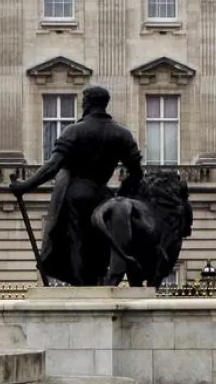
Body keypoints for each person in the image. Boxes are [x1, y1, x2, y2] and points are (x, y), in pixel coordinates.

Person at [10, 85, 143, 286]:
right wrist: (125, 192)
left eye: (83, 101)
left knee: (78, 243)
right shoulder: (122, 134)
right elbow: (137, 171)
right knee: (99, 244)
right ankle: (98, 281)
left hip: (76, 194)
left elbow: (53, 166)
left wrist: (24, 186)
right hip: (104, 195)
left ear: (87, 103)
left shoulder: (74, 131)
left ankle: (83, 287)